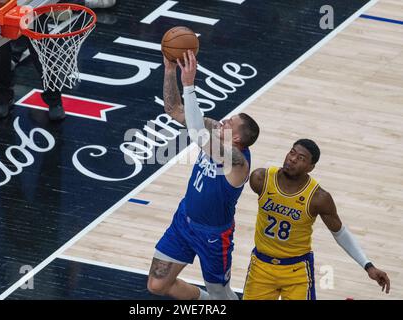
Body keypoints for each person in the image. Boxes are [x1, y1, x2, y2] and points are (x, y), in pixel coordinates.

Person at [147, 50, 260, 300]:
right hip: (183, 221)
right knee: (156, 284)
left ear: (237, 138)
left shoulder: (237, 161)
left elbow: (197, 133)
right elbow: (173, 109)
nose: (223, 122)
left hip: (213, 235)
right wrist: (169, 70)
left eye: (229, 123)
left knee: (220, 292)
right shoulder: (214, 131)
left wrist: (190, 84)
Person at [243, 139, 391, 300]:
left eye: (301, 158)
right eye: (292, 152)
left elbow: (340, 233)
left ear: (310, 168)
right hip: (261, 266)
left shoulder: (319, 198)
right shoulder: (260, 178)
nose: (292, 159)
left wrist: (368, 265)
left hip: (296, 271)